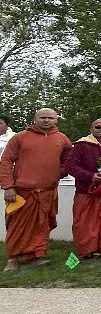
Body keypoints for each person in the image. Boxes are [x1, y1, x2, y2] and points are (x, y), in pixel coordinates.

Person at [1, 109, 72, 271]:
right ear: (35, 119)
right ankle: (13, 258)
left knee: (43, 225)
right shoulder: (20, 137)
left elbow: (69, 159)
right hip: (21, 192)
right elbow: (5, 162)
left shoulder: (61, 138)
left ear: (56, 120)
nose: (47, 120)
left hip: (48, 191)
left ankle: (36, 255)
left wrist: (61, 172)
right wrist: (8, 186)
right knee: (17, 226)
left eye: (50, 118)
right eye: (43, 118)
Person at [65, 118, 101, 259]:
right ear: (91, 129)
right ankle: (84, 252)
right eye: (98, 127)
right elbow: (70, 166)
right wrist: (90, 176)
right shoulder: (81, 145)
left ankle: (99, 250)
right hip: (86, 191)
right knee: (83, 224)